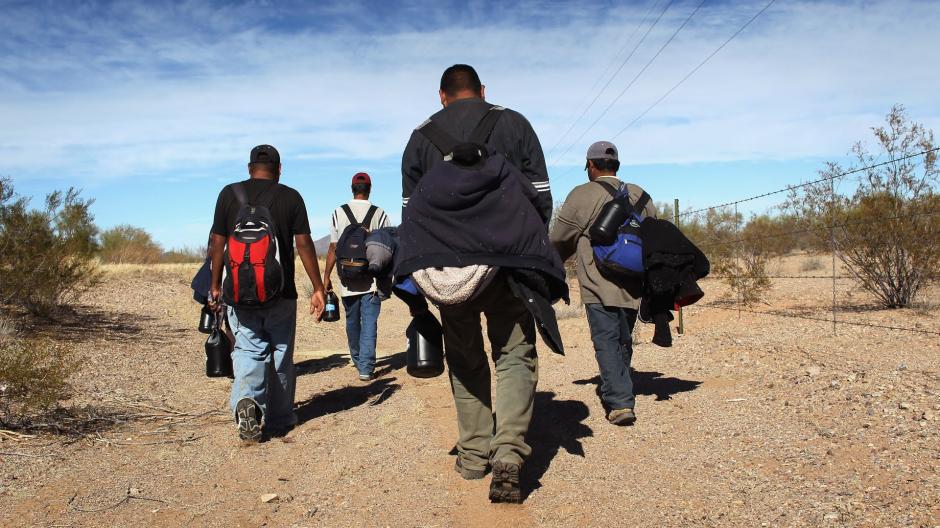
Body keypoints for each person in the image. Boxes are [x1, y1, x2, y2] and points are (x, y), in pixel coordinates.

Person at [400, 64, 558, 503]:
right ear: (483, 90)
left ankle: (473, 456)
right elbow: (541, 198)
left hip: (449, 270)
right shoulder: (515, 123)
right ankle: (508, 451)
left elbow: (410, 213)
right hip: (509, 264)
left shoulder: (420, 137)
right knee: (513, 355)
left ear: (441, 96)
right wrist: (523, 246)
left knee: (466, 358)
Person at [207, 144, 326, 442]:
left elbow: (218, 242)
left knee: (248, 349)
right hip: (281, 292)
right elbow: (304, 244)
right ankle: (280, 416)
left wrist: (216, 284)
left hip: (238, 292)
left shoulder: (228, 194)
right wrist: (318, 286)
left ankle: (248, 402)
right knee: (281, 352)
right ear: (279, 169)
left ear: (249, 169)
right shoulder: (291, 197)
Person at [550, 141, 656, 426]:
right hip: (634, 281)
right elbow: (652, 234)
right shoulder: (641, 195)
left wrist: (550, 263)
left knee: (606, 340)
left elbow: (561, 239)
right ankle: (621, 384)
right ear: (617, 165)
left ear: (591, 166)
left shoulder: (582, 195)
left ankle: (620, 402)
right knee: (623, 337)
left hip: (598, 282)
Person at [321, 172, 391, 382]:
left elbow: (333, 247)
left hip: (346, 280)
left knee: (352, 322)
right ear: (369, 189)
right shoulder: (379, 213)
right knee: (369, 323)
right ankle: (366, 368)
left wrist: (325, 277)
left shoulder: (338, 212)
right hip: (372, 280)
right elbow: (387, 247)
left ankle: (358, 358)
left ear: (352, 188)